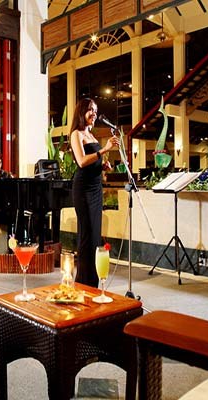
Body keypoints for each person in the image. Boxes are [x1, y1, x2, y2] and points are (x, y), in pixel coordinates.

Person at [70, 98, 118, 287]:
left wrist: (103, 165)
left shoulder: (91, 135)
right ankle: (83, 282)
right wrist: (104, 150)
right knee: (87, 235)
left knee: (95, 237)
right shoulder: (76, 134)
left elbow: (93, 161)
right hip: (83, 189)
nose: (94, 114)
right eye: (90, 110)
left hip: (96, 188)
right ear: (82, 112)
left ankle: (93, 283)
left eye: (96, 110)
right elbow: (82, 161)